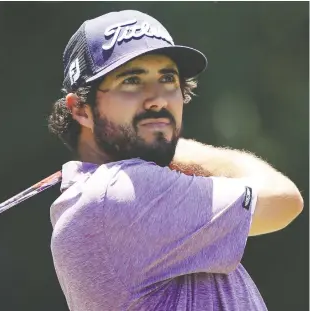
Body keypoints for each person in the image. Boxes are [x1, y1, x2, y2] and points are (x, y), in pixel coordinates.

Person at [47, 10, 303, 311]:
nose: (157, 98)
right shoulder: (122, 194)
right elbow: (284, 200)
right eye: (131, 80)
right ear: (80, 110)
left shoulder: (87, 198)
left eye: (167, 78)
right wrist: (183, 149)